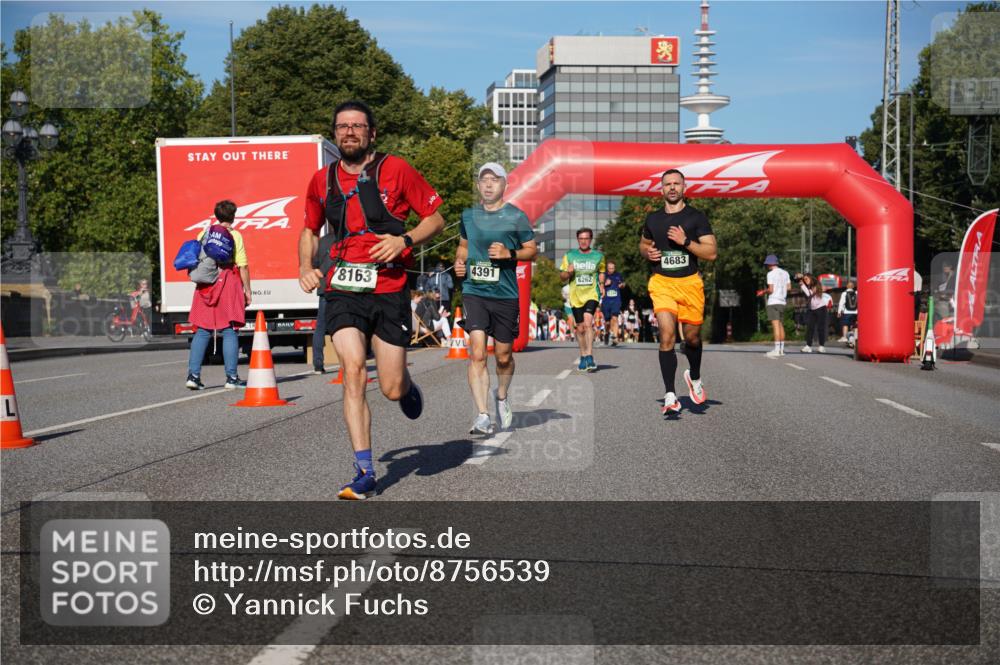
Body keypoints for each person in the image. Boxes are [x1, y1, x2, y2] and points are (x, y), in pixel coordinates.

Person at [298, 100, 445, 500]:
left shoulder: (396, 169)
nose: (349, 132)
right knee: (353, 371)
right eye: (342, 126)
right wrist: (305, 266)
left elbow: (436, 218)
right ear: (334, 133)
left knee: (392, 388)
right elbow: (309, 230)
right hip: (343, 286)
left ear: (371, 134)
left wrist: (404, 240)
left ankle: (407, 387)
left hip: (389, 285)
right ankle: (364, 469)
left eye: (357, 126)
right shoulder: (321, 180)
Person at [454, 162, 537, 435]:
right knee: (477, 352)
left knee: (503, 356)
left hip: (505, 294)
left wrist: (509, 254)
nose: (489, 184)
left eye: (495, 179)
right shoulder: (468, 215)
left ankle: (501, 396)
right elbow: (464, 246)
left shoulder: (516, 216)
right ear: (478, 185)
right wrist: (459, 261)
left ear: (504, 185)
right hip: (475, 290)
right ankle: (482, 415)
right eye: (484, 179)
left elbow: (531, 250)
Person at [639, 168, 717, 415]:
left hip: (690, 283)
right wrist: (647, 252)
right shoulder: (653, 219)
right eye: (667, 184)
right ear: (661, 189)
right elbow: (643, 243)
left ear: (684, 187)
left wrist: (686, 242)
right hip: (662, 283)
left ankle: (694, 377)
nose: (672, 188)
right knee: (667, 336)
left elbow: (711, 253)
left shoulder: (696, 218)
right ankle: (670, 395)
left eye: (676, 184)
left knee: (692, 338)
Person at [185, 200, 252, 390]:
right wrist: (247, 290)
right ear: (233, 216)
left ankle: (193, 376)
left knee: (203, 330)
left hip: (205, 285)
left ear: (217, 215)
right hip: (228, 282)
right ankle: (231, 378)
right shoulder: (235, 235)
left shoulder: (204, 233)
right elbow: (243, 265)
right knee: (230, 329)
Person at [560, 228, 605, 371]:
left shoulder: (598, 256)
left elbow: (602, 271)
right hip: (576, 296)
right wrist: (568, 272)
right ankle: (583, 355)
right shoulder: (569, 256)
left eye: (586, 238)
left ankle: (590, 355)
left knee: (587, 323)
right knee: (579, 328)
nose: (584, 241)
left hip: (592, 294)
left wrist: (602, 284)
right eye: (581, 238)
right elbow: (562, 277)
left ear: (590, 240)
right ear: (577, 240)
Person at [763, 254, 791, 358]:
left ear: (770, 264)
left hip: (773, 301)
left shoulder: (770, 274)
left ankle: (776, 350)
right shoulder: (785, 273)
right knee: (780, 325)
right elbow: (789, 288)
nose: (767, 266)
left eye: (767, 264)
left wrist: (763, 292)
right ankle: (781, 349)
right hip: (782, 301)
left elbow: (771, 290)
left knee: (775, 326)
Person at [797, 273, 827, 353]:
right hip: (812, 309)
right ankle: (808, 346)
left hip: (821, 308)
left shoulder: (816, 285)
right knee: (810, 328)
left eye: (807, 279)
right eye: (805, 279)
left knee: (820, 328)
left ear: (810, 278)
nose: (805, 281)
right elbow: (807, 293)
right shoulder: (808, 286)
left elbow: (810, 294)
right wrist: (801, 280)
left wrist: (803, 285)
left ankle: (821, 346)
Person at [601, 261, 625, 346]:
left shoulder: (618, 275)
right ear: (607, 268)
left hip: (616, 300)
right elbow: (598, 285)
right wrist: (604, 284)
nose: (611, 269)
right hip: (606, 301)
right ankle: (607, 333)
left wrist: (622, 285)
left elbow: (623, 283)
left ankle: (615, 338)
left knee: (615, 318)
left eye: (613, 268)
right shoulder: (603, 275)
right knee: (607, 322)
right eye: (610, 268)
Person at [837, 279, 858, 344]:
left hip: (847, 312)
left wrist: (839, 312)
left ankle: (844, 337)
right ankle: (855, 337)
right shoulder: (857, 293)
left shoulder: (844, 293)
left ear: (847, 286)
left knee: (845, 324)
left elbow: (841, 303)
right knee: (854, 325)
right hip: (855, 312)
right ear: (853, 287)